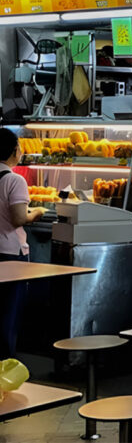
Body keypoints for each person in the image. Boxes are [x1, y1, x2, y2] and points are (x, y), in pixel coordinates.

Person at [0, 128, 46, 358]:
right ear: (14, 151)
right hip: (9, 253)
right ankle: (6, 365)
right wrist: (36, 212)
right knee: (9, 312)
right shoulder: (14, 180)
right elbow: (19, 218)